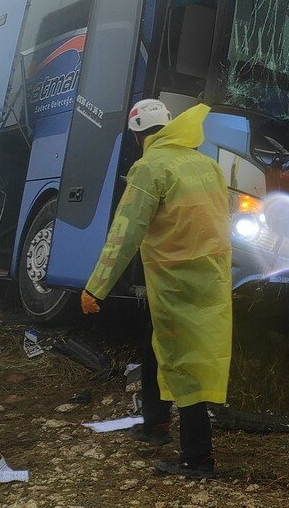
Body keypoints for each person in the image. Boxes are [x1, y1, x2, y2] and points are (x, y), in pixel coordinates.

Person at [79, 100, 233, 480]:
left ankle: (197, 460)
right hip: (211, 277)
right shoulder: (208, 164)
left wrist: (95, 288)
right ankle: (155, 424)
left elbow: (124, 233)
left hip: (175, 281)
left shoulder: (150, 168)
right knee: (160, 348)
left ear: (136, 135)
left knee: (184, 362)